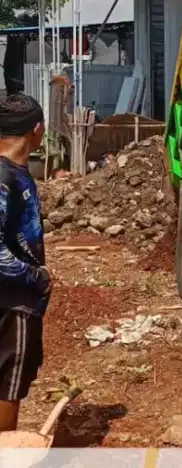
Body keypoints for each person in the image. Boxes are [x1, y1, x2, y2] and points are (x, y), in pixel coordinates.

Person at [0, 94, 51, 432]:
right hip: (12, 301)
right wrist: (34, 276)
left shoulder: (15, 173)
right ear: (36, 129)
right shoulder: (6, 179)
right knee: (7, 385)